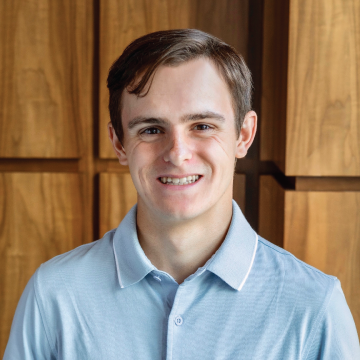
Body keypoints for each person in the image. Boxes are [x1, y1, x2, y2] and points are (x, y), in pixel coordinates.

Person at [4, 29, 360, 359]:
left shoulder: (314, 307)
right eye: (151, 129)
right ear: (119, 143)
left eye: (202, 126)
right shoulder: (53, 296)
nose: (177, 153)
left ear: (243, 135)